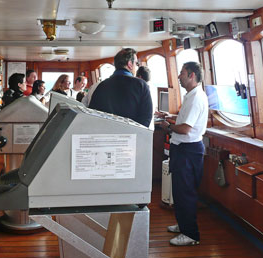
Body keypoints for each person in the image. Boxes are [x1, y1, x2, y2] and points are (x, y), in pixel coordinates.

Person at [156, 62, 208, 246]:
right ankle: (183, 224)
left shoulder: (195, 99)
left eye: (182, 73)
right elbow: (185, 121)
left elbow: (185, 129)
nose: (179, 77)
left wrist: (168, 126)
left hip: (188, 151)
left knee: (185, 192)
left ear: (192, 75)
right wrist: (169, 117)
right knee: (179, 190)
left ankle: (191, 234)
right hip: (183, 150)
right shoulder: (191, 96)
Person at [89, 48, 152, 127]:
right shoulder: (141, 85)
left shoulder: (101, 86)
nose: (137, 66)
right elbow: (146, 118)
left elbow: (91, 114)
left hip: (106, 135)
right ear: (130, 64)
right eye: (136, 63)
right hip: (132, 136)